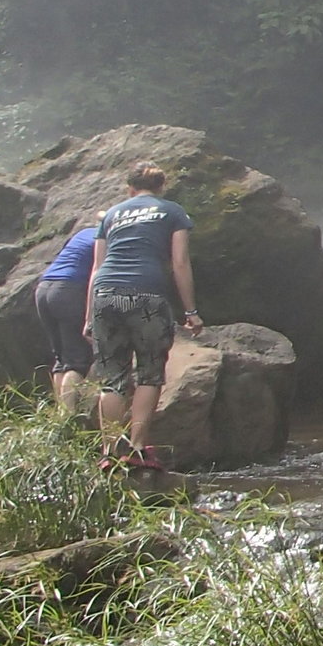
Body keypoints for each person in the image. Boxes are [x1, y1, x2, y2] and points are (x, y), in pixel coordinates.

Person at [83, 161, 204, 472]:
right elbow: (179, 262)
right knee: (150, 371)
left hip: (106, 294)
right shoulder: (172, 211)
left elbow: (96, 268)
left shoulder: (111, 214)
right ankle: (137, 448)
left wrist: (87, 317)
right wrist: (190, 311)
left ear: (130, 189)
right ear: (160, 187)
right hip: (147, 293)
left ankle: (109, 451)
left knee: (112, 379)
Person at [34, 222, 98, 409]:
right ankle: (68, 418)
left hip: (43, 287)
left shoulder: (84, 233)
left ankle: (59, 416)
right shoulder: (108, 237)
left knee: (61, 358)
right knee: (76, 361)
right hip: (69, 290)